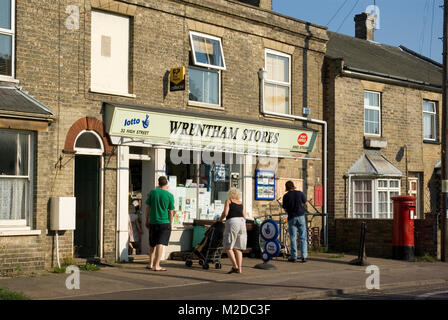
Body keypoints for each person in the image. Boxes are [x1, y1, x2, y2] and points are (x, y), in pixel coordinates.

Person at [145, 176, 174, 271]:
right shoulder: (169, 195)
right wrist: (171, 222)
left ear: (158, 183)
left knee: (152, 243)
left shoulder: (153, 192)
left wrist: (146, 219)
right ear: (166, 184)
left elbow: (147, 207)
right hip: (164, 222)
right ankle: (157, 265)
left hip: (153, 221)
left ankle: (150, 264)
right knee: (160, 243)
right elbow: (171, 211)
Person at [218, 188, 247, 274]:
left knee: (228, 246)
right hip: (242, 223)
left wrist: (220, 219)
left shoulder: (229, 201)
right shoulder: (241, 203)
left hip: (233, 222)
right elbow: (244, 216)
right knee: (238, 248)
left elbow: (226, 213)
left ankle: (235, 266)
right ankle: (240, 269)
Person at [282, 181, 308, 263]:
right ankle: (304, 257)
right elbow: (305, 203)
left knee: (293, 238)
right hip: (301, 216)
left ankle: (294, 257)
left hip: (292, 217)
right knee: (303, 237)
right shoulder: (300, 193)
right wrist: (300, 206)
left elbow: (285, 209)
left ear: (286, 188)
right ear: (293, 186)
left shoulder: (285, 196)